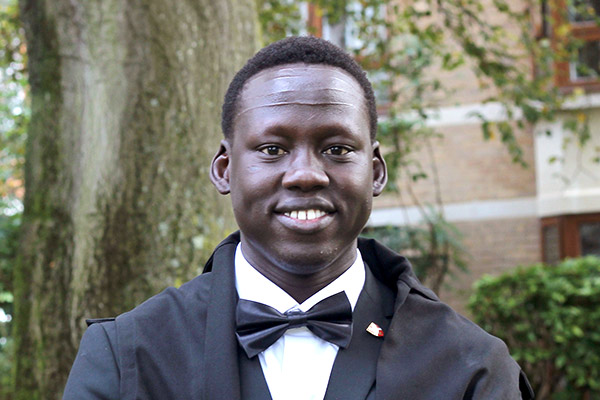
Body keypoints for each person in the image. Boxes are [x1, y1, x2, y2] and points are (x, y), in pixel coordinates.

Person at [64, 36, 534, 400]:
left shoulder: (471, 366)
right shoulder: (126, 355)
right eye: (273, 149)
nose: (306, 175)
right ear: (225, 170)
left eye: (337, 149)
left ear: (374, 171)